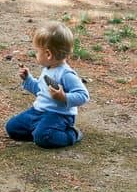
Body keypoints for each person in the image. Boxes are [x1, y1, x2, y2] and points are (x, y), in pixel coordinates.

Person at [6, 20, 88, 148]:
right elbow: (41, 91)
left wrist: (64, 97)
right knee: (12, 128)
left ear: (48, 54)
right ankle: (41, 131)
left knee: (44, 137)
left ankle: (72, 134)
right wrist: (28, 79)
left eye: (37, 51)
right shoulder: (48, 69)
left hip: (59, 116)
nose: (35, 54)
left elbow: (83, 95)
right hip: (38, 112)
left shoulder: (66, 74)